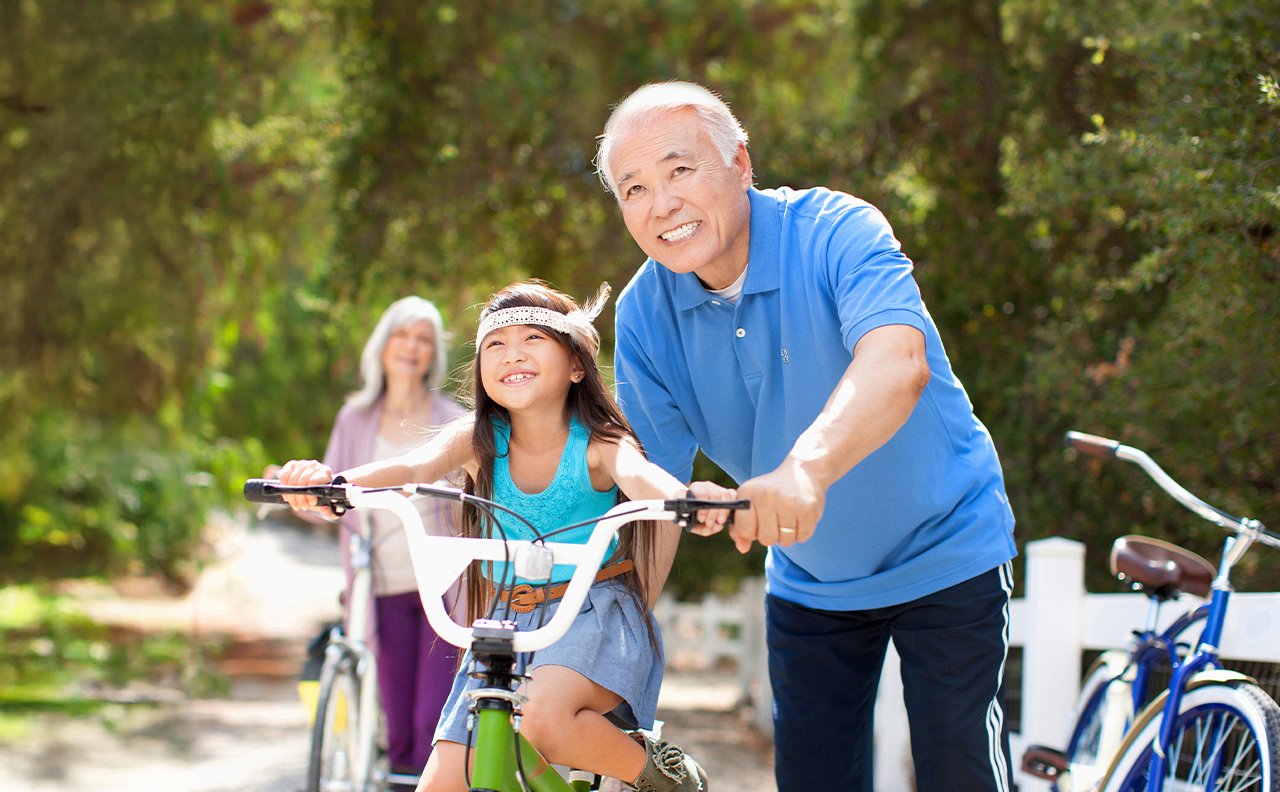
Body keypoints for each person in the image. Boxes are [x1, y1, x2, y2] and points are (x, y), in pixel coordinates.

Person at [596, 81, 1018, 792]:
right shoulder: (643, 315)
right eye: (634, 189)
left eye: (679, 170)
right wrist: (605, 652)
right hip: (812, 580)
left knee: (959, 771)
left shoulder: (836, 230)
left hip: (947, 549)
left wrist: (805, 471)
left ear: (741, 164)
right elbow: (651, 508)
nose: (660, 204)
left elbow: (897, 361)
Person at [276, 281, 734, 792]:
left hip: (592, 611)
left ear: (577, 366)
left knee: (543, 719)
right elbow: (411, 466)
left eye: (533, 338)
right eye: (495, 344)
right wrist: (333, 485)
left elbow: (645, 480)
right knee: (439, 785)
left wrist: (688, 499)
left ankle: (663, 777)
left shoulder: (602, 442)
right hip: (505, 621)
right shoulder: (475, 439)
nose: (512, 353)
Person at [299, 296, 466, 788]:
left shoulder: (452, 417)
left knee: (430, 723)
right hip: (380, 589)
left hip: (443, 591)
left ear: (433, 353)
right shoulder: (354, 418)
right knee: (394, 725)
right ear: (383, 344)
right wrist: (303, 495)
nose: (411, 347)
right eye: (403, 335)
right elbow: (332, 499)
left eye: (424, 339)